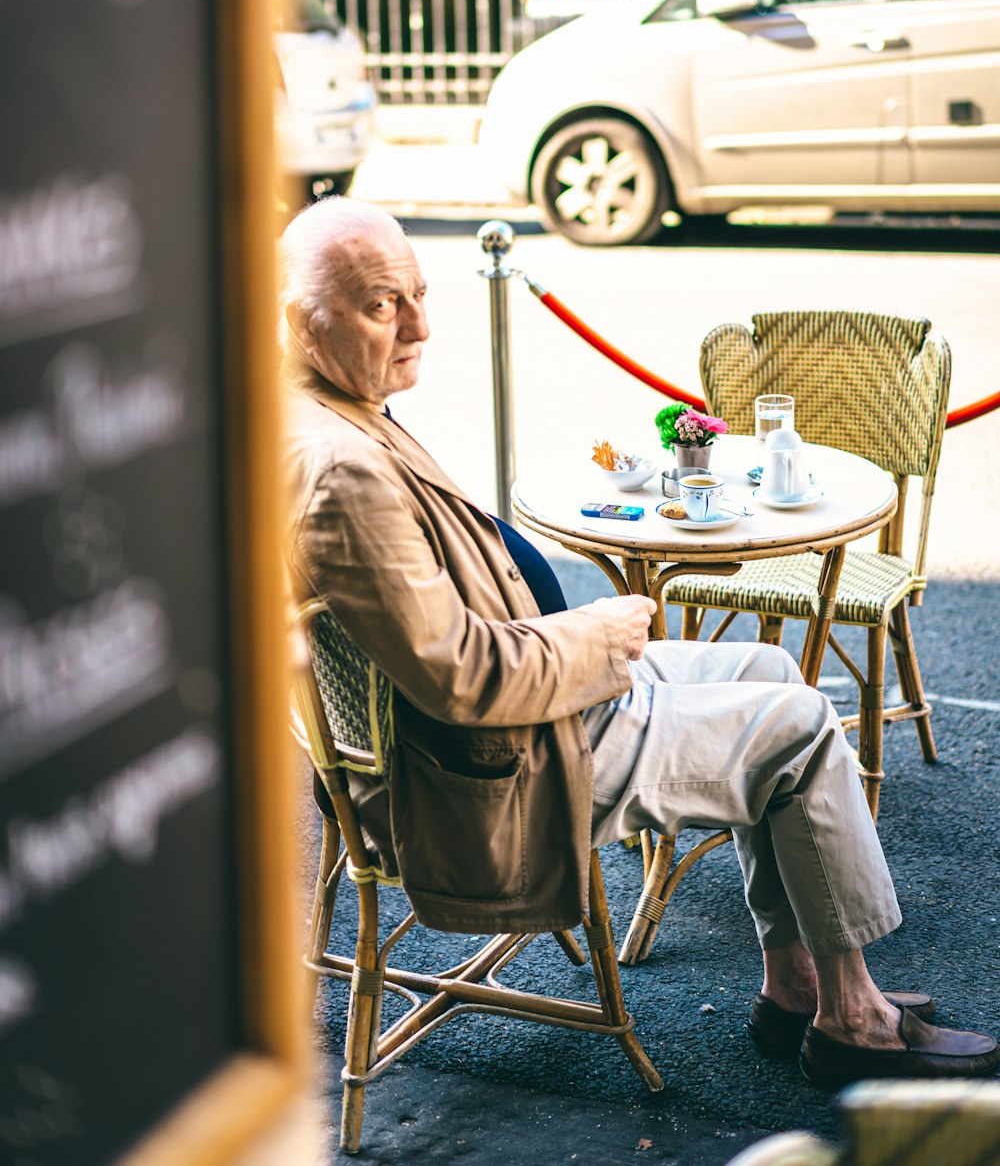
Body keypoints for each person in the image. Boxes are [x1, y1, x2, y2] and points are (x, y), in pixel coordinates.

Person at [281, 197, 999, 1086]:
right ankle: (853, 1015)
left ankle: (794, 982)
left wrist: (578, 642)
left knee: (768, 666)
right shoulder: (339, 469)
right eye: (384, 304)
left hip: (501, 725)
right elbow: (460, 678)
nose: (421, 324)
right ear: (298, 323)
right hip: (494, 777)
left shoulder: (321, 413)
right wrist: (593, 633)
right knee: (805, 724)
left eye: (419, 293)